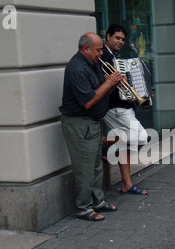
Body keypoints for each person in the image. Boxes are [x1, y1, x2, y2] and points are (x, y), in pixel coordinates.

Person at [59, 32, 122, 222]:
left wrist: (113, 84)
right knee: (84, 168)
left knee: (95, 166)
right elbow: (87, 101)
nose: (101, 53)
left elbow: (100, 91)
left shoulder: (93, 64)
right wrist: (109, 82)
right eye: (98, 49)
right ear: (85, 49)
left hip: (92, 123)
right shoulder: (77, 68)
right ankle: (83, 208)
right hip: (80, 123)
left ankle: (98, 201)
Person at [101, 24, 151, 195]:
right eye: (117, 38)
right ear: (108, 36)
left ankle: (127, 184)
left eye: (122, 39)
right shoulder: (103, 57)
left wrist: (143, 92)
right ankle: (102, 143)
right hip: (114, 108)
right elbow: (103, 86)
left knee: (125, 145)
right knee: (141, 137)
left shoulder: (117, 57)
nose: (121, 41)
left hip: (124, 107)